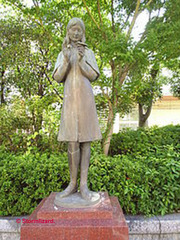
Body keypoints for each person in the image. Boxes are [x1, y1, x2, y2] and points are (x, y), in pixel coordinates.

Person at [52, 18, 102, 201]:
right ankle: (72, 184)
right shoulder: (62, 53)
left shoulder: (88, 52)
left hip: (85, 100)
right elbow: (58, 77)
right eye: (73, 29)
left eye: (79, 30)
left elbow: (93, 75)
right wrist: (66, 60)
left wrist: (81, 60)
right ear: (68, 32)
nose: (76, 33)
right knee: (72, 142)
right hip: (70, 103)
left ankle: (84, 185)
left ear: (83, 32)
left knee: (86, 141)